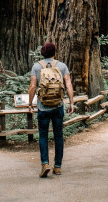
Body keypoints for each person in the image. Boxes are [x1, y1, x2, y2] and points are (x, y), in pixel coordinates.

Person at [28, 42, 75, 178]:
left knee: (43, 136)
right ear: (54, 52)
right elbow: (68, 84)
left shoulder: (37, 67)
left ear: (42, 52)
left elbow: (32, 86)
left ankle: (45, 163)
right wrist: (71, 102)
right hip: (58, 106)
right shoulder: (62, 66)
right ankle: (58, 166)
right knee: (58, 135)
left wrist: (30, 104)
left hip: (43, 107)